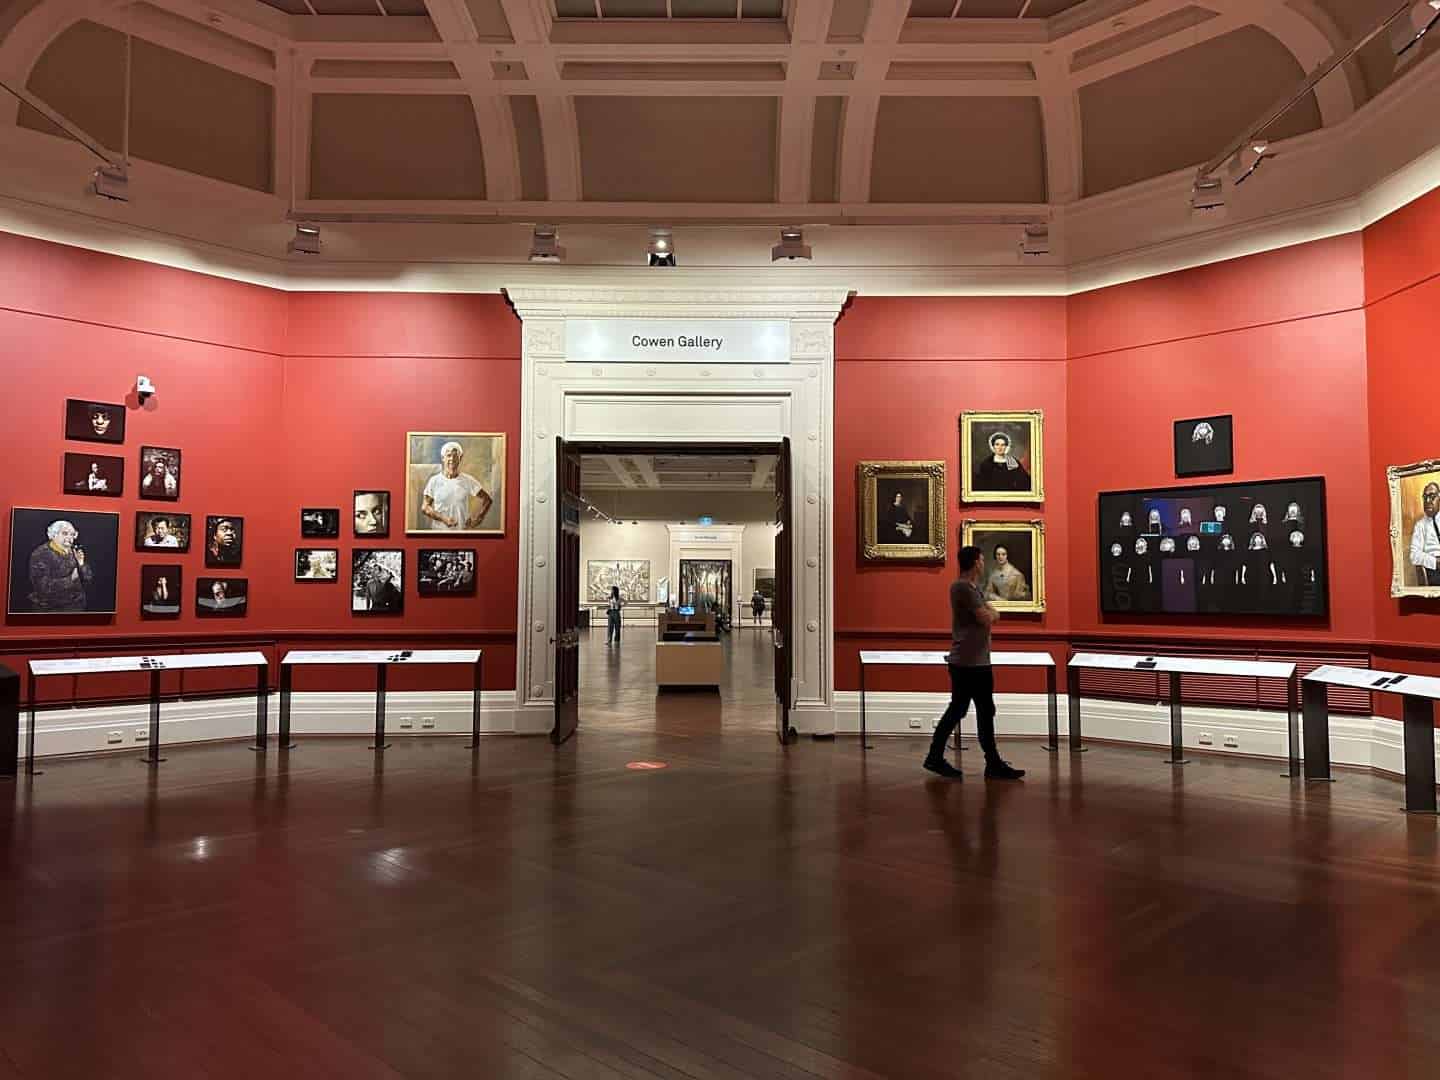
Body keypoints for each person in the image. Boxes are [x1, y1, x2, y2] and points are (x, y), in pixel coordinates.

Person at [924, 544, 1025, 781]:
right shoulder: (963, 588)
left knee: (975, 710)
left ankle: (987, 762)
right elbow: (986, 618)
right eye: (981, 560)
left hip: (975, 662)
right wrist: (992, 613)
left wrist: (991, 612)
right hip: (970, 664)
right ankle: (985, 762)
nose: (983, 563)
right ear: (975, 562)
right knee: (969, 710)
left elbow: (989, 612)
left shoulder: (972, 588)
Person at [421, 441, 494, 530]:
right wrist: (444, 519)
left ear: (460, 458)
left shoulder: (468, 480)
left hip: (462, 533)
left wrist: (479, 517)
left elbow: (487, 500)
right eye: (448, 455)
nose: (452, 459)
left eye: (455, 456)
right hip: (438, 533)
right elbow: (425, 507)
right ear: (443, 458)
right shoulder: (434, 481)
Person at [28, 519, 92, 611]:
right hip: (51, 609)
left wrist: (81, 563)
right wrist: (71, 578)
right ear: (53, 535)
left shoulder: (74, 551)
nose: (70, 538)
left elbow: (88, 579)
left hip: (77, 605)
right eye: (65, 533)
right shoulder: (40, 554)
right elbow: (42, 587)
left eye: (72, 534)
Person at [1409, 481, 1440, 587]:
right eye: (1425, 497)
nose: (1427, 501)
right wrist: (1436, 562)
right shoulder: (1420, 526)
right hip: (1434, 571)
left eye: (1432, 497)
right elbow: (1414, 555)